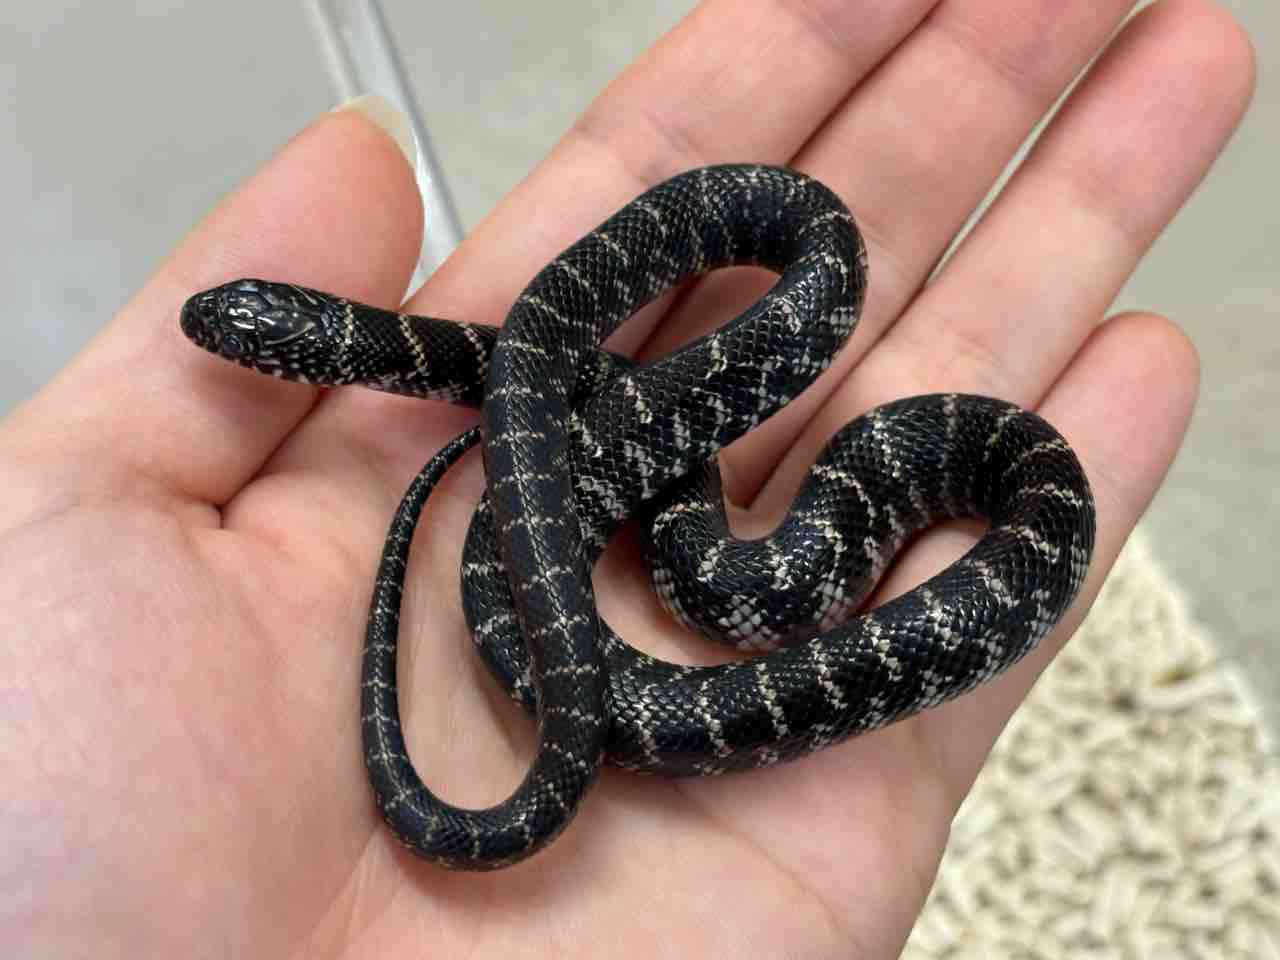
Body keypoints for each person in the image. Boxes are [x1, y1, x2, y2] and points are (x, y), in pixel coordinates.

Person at [0, 0, 1254, 955]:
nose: (226, 339)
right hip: (650, 547)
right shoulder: (530, 392)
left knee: (704, 543)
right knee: (680, 540)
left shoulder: (746, 299)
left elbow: (650, 429)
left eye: (248, 337)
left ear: (316, 347)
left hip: (860, 493)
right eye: (243, 339)